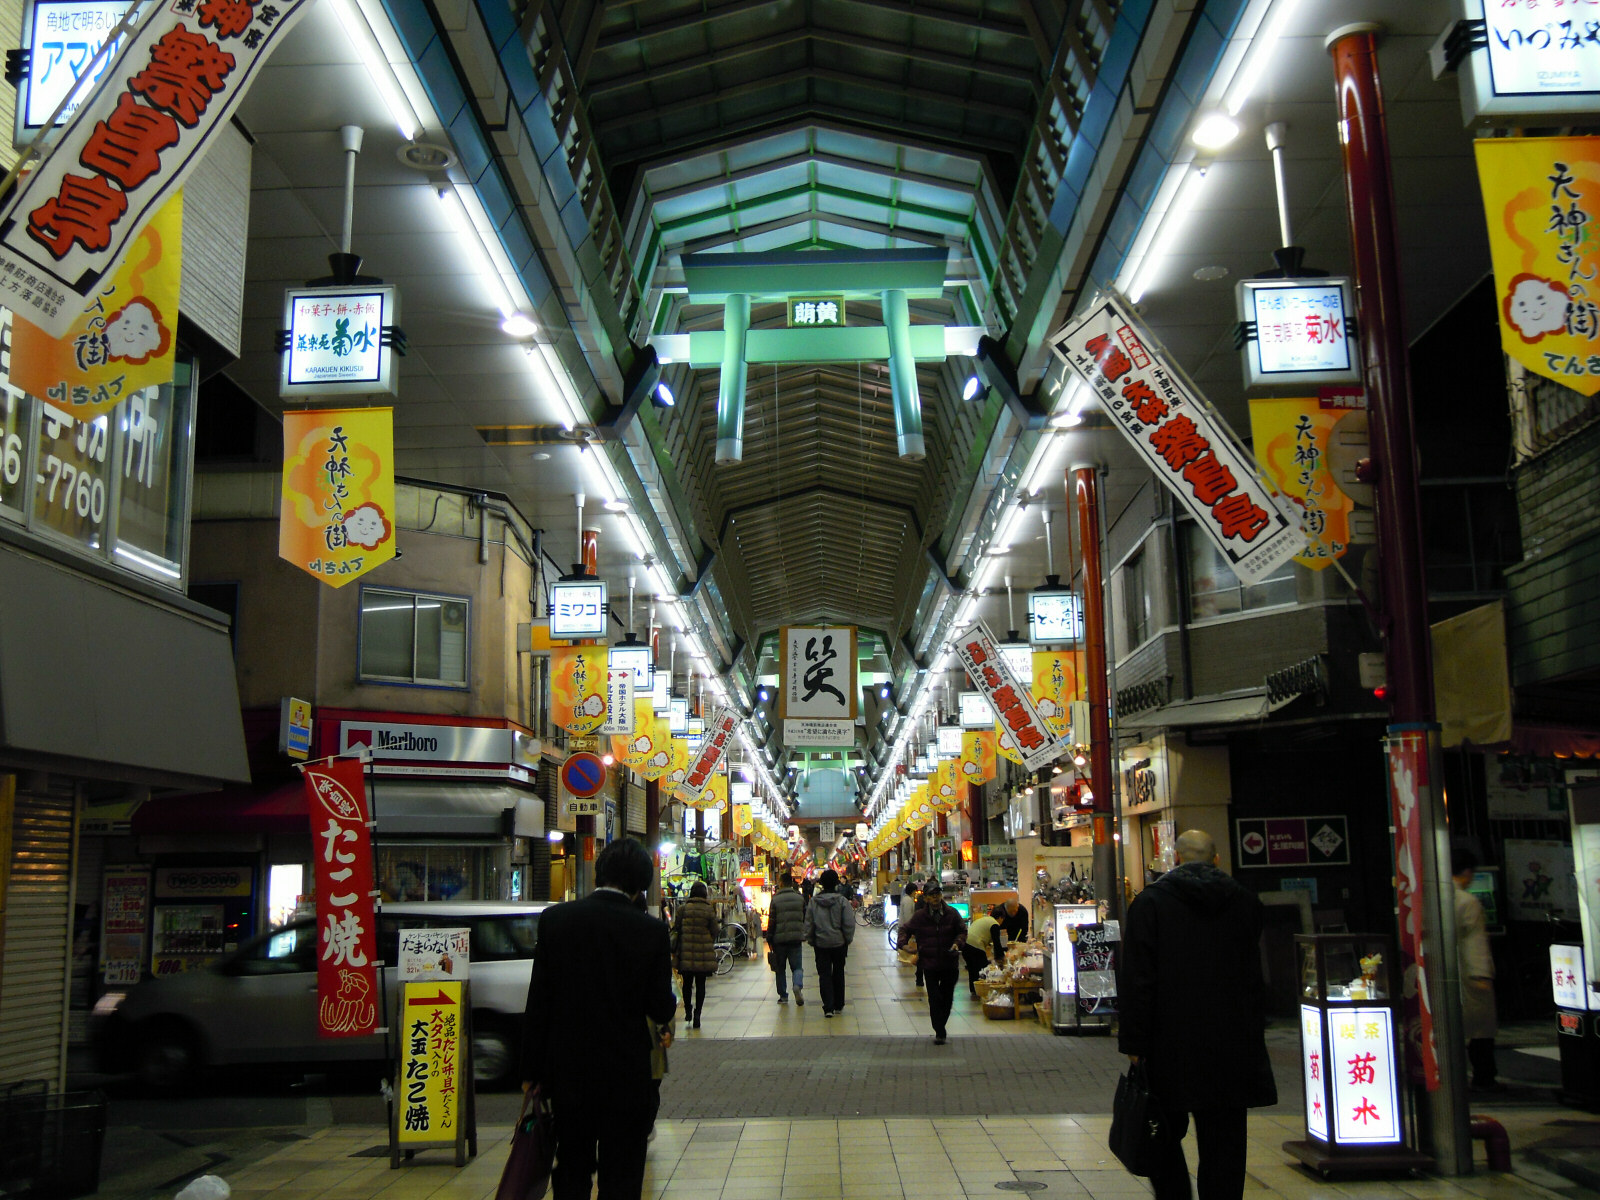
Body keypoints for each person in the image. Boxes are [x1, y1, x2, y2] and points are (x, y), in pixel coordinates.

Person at [1119, 829, 1275, 1200]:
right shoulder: (1245, 902)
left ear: (1174, 859)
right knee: (1226, 1140)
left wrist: (1135, 1042)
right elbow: (1254, 977)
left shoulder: (1151, 904)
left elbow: (1139, 979)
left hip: (1169, 1041)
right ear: (1217, 859)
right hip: (1231, 1043)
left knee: (1161, 1130)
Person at [521, 838, 677, 1200]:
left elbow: (539, 1001)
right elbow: (660, 1008)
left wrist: (531, 1071)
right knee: (622, 1173)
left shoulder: (556, 920)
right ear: (641, 885)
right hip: (627, 1072)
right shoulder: (650, 931)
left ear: (599, 873)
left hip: (570, 1072)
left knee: (572, 1167)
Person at [1452, 849, 1501, 1091]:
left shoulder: (1436, 897)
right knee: (1481, 1029)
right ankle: (1484, 1077)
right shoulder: (1467, 902)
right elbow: (1475, 942)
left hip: (1450, 972)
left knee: (1455, 1028)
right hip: (1471, 973)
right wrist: (1482, 973)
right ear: (1467, 872)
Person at [896, 880, 966, 1044]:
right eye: (932, 895)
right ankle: (939, 1031)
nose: (935, 898)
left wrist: (958, 943)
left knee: (947, 998)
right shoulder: (920, 916)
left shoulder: (952, 914)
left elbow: (962, 931)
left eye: (938, 894)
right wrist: (904, 945)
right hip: (929, 963)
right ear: (926, 898)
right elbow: (905, 929)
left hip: (950, 962)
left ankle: (941, 1026)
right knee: (934, 998)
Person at [803, 867, 855, 1017]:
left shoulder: (814, 902)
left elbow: (809, 923)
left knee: (824, 974)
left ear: (822, 884)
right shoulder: (842, 901)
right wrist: (847, 939)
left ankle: (828, 1006)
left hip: (821, 944)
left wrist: (811, 939)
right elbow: (849, 923)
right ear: (836, 884)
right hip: (839, 943)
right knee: (838, 972)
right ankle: (839, 1004)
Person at [672, 881, 720, 1029]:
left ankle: (688, 1010)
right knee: (701, 985)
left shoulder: (682, 909)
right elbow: (716, 931)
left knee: (687, 984)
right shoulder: (708, 910)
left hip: (686, 952)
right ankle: (698, 1014)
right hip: (703, 953)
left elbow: (676, 928)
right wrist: (707, 940)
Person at [766, 872, 806, 1006]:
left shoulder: (775, 899)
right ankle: (797, 985)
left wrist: (769, 936)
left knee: (780, 968)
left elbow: (771, 921)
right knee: (797, 967)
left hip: (779, 940)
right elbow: (805, 918)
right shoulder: (799, 898)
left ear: (781, 883)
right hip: (796, 939)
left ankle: (783, 996)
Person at [963, 906, 1000, 998]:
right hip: (975, 946)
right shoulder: (994, 924)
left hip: (965, 944)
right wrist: (1000, 958)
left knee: (972, 969)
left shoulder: (984, 920)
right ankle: (984, 991)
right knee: (983, 969)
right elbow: (997, 944)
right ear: (1000, 918)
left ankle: (974, 990)